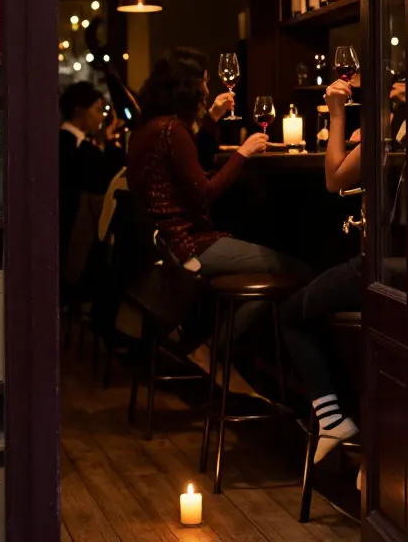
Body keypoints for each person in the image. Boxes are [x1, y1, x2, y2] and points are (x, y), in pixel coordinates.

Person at [127, 48, 309, 384]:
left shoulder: (151, 127)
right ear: (189, 87)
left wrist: (211, 118)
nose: (208, 89)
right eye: (205, 83)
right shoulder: (172, 130)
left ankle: (219, 349)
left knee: (276, 263)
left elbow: (185, 163)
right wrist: (243, 153)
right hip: (188, 245)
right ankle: (215, 347)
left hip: (165, 243)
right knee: (296, 271)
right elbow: (205, 191)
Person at [279, 73, 406, 471]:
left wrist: (336, 115)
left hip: (380, 265)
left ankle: (333, 419)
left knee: (291, 314)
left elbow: (335, 178)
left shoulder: (392, 123)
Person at [58, 82, 124, 286]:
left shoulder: (80, 142)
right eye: (97, 110)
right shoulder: (72, 144)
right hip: (74, 232)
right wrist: (111, 143)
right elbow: (103, 175)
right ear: (79, 110)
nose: (102, 117)